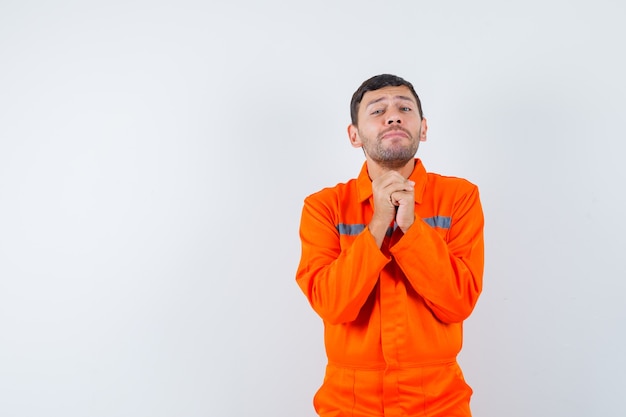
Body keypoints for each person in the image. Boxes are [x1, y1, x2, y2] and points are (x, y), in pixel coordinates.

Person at [295, 74, 484, 417]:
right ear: (354, 135)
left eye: (404, 108)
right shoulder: (324, 207)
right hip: (349, 404)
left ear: (423, 128)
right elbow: (333, 306)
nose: (393, 117)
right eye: (377, 111)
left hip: (439, 404)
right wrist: (379, 223)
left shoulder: (459, 198)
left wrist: (411, 229)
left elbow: (458, 302)